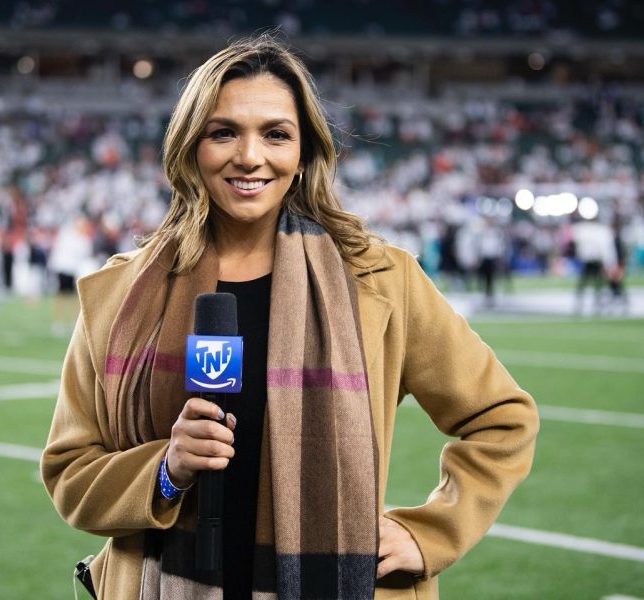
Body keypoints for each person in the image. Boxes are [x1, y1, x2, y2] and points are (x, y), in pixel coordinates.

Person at [41, 35, 538, 600]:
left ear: (304, 153)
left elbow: (501, 418)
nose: (249, 156)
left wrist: (429, 532)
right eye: (223, 131)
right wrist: (167, 467)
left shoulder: (378, 280)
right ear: (189, 147)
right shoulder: (121, 293)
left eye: (276, 134)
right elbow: (70, 472)